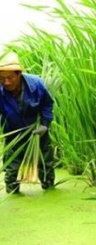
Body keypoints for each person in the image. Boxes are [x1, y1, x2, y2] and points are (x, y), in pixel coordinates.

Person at [0, 51, 55, 194]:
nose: (6, 82)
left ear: (19, 74)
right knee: (12, 166)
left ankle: (48, 188)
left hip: (37, 132)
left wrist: (45, 124)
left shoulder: (36, 84)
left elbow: (47, 104)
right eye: (2, 78)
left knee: (45, 163)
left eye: (10, 78)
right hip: (13, 134)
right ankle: (12, 191)